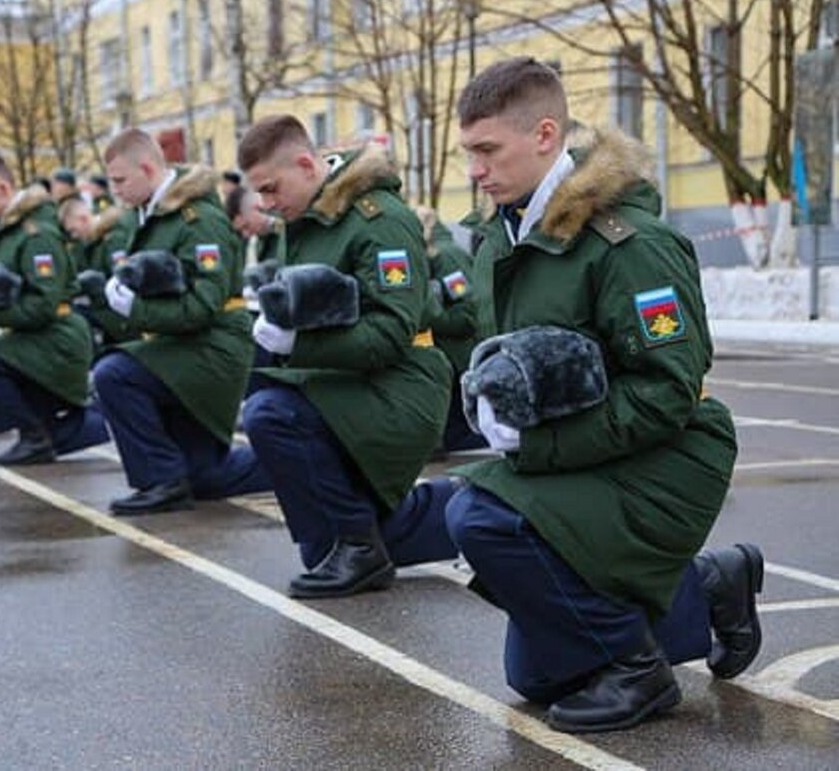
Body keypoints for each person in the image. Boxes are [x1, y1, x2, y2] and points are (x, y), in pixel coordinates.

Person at [401, 57, 762, 733]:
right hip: (585, 454)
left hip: (666, 455)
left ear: (544, 135)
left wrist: (534, 445)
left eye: (487, 150)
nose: (474, 170)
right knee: (537, 676)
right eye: (468, 152)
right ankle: (709, 590)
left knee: (477, 513)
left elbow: (668, 392)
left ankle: (639, 670)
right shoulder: (499, 241)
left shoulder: (629, 247)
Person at [235, 117, 452, 598]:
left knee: (270, 414)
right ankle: (466, 510)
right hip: (348, 379)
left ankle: (359, 545)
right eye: (259, 195)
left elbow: (394, 333)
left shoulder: (380, 218)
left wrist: (298, 345)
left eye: (271, 189)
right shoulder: (309, 215)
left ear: (308, 164)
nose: (267, 205)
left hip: (401, 381)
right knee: (322, 548)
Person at [90, 129, 270, 514]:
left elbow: (203, 306)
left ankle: (160, 480)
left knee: (113, 373)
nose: (114, 189)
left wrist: (133, 309)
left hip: (211, 346)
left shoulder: (197, 219)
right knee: (206, 478)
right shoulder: (154, 216)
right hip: (180, 347)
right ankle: (304, 460)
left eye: (120, 179)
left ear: (147, 167)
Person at [0, 155, 109, 465]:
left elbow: (43, 304)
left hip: (56, 337)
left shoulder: (35, 234)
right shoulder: (8, 230)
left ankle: (36, 437)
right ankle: (78, 427)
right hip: (38, 336)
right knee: (56, 428)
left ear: (2, 188)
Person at [413, 205, 485, 454]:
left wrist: (428, 315)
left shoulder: (447, 257)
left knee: (460, 439)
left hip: (459, 361)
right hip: (445, 361)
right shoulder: (426, 258)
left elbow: (468, 315)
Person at [58, 196, 137, 349]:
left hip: (121, 314)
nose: (74, 236)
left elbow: (123, 281)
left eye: (73, 230)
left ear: (83, 219)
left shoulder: (113, 239)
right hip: (104, 309)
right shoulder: (91, 244)